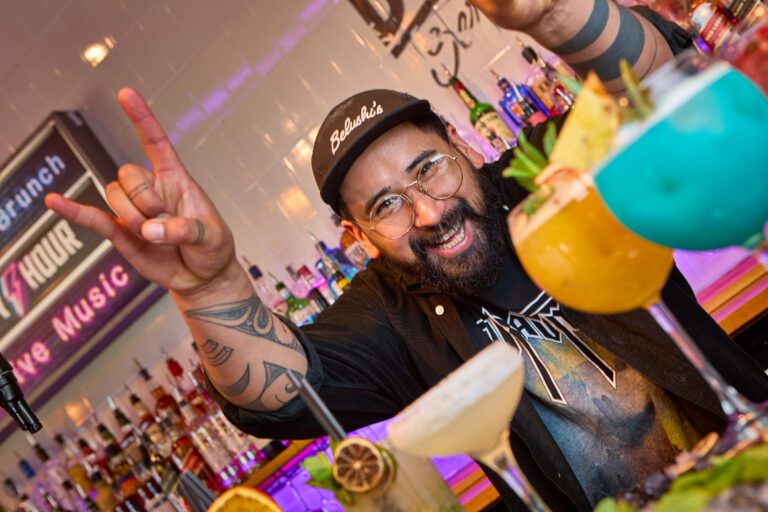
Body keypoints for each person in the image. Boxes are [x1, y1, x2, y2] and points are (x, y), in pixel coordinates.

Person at [45, 0, 768, 510]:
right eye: (385, 205)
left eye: (428, 168)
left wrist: (559, 16)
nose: (428, 212)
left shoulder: (548, 176)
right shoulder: (387, 314)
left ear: (462, 146)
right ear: (357, 238)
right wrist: (210, 290)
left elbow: (669, 86)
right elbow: (280, 397)